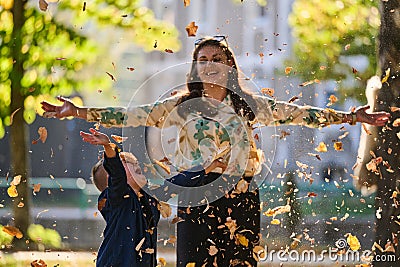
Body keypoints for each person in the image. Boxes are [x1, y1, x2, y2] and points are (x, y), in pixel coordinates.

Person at [42, 36, 390, 266]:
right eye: (203, 58)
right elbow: (133, 113)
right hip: (195, 195)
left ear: (229, 65)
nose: (209, 63)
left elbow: (299, 113)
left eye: (217, 58)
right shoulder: (180, 105)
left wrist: (351, 116)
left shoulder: (249, 105)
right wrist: (80, 111)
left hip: (241, 198)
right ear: (195, 66)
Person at [83, 127, 227, 267]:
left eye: (135, 161)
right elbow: (116, 174)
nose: (135, 162)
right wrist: (108, 147)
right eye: (127, 162)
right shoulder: (116, 199)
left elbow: (174, 184)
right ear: (111, 179)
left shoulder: (149, 197)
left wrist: (207, 168)